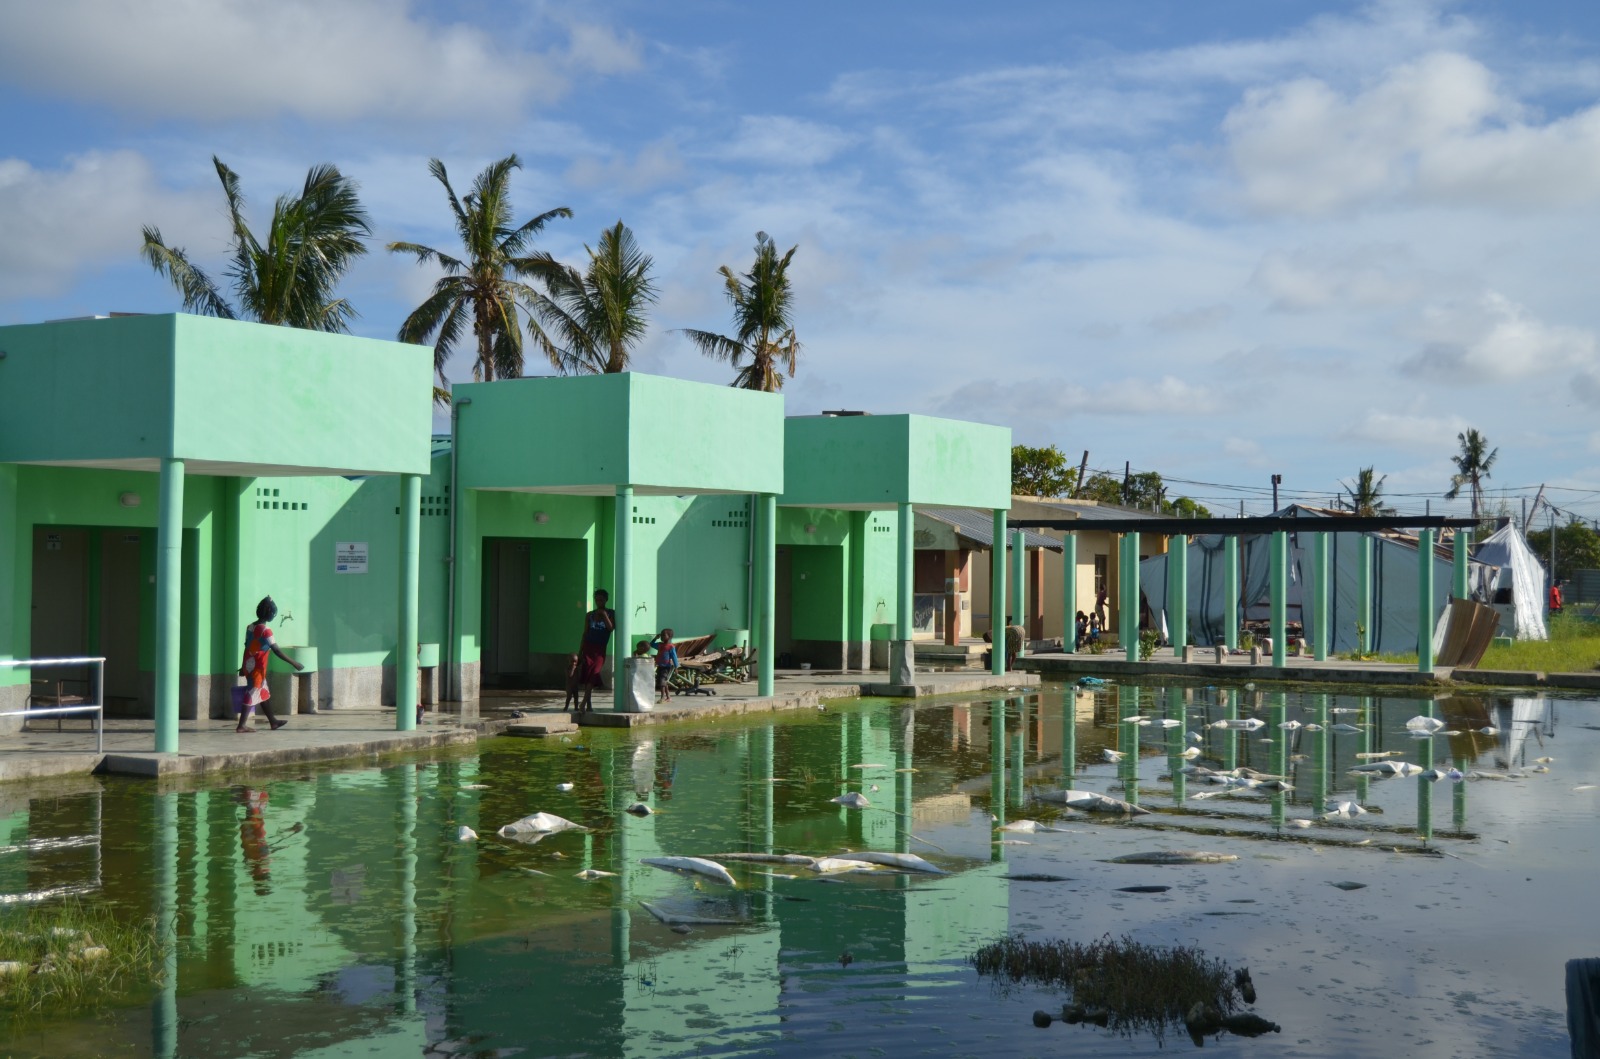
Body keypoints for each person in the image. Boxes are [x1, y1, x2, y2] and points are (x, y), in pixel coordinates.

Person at [237, 596, 303, 733]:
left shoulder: (250, 627)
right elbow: (277, 650)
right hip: (257, 668)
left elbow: (247, 647)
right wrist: (294, 663)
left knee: (263, 693)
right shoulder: (266, 631)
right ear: (271, 614)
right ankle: (241, 725)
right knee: (253, 692)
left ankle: (273, 721)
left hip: (250, 665)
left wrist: (243, 666)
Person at [576, 589, 616, 713]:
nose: (599, 602)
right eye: (597, 600)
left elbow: (611, 628)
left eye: (601, 600)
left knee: (595, 672)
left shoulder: (611, 613)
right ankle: (588, 705)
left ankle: (583, 703)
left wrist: (604, 615)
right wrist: (580, 652)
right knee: (588, 676)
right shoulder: (589, 615)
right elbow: (585, 633)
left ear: (606, 600)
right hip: (588, 647)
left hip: (600, 649)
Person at [652, 628, 679, 703]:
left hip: (666, 667)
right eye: (661, 635)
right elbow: (651, 644)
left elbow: (674, 657)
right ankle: (668, 697)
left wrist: (676, 667)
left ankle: (662, 697)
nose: (662, 637)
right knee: (664, 682)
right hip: (660, 666)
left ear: (669, 636)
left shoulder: (671, 647)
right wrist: (655, 638)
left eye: (664, 635)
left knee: (662, 682)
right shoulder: (660, 645)